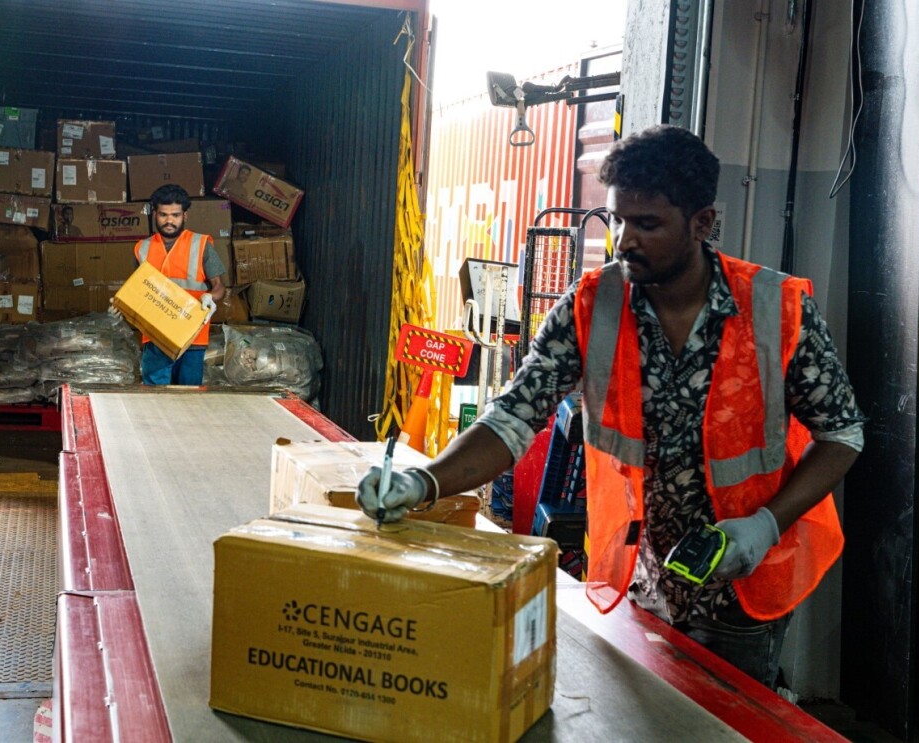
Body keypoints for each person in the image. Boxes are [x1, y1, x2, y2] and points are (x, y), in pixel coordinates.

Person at [356, 125, 866, 690]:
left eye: (646, 224)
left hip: (743, 586)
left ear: (702, 223)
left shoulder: (775, 308)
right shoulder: (591, 307)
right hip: (642, 582)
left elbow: (843, 435)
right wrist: (424, 482)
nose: (624, 240)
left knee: (730, 719)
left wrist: (765, 526)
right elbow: (512, 419)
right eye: (617, 220)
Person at [128, 183, 226, 385]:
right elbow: (136, 290)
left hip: (192, 336)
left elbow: (220, 286)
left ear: (185, 216)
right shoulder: (142, 248)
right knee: (155, 396)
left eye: (175, 215)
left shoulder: (201, 244)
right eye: (163, 215)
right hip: (156, 335)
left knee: (188, 396)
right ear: (155, 214)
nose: (169, 221)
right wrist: (123, 307)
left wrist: (211, 296)